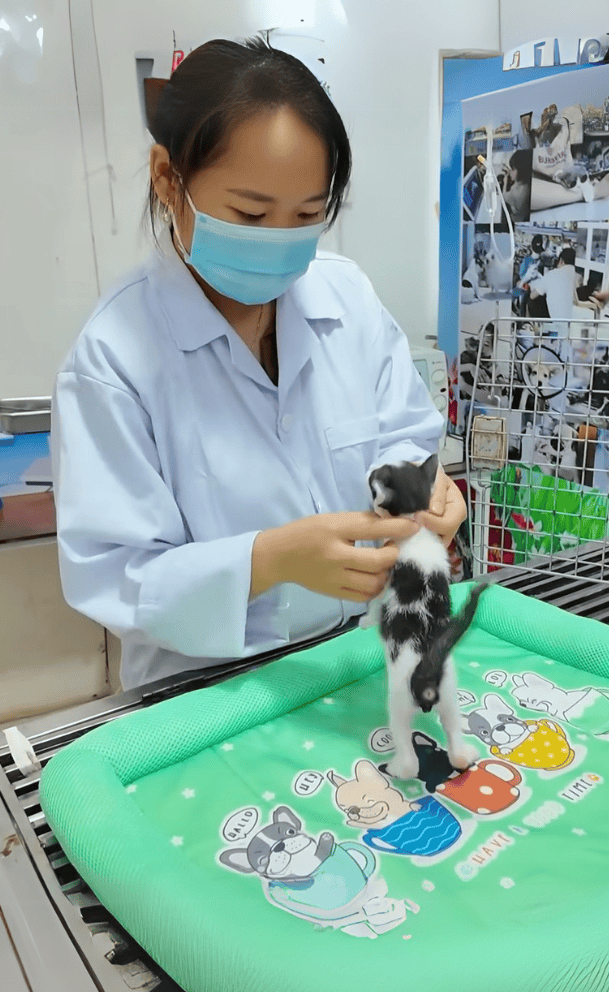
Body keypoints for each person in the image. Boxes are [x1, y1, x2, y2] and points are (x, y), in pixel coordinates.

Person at [51, 37, 466, 690]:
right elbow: (115, 575)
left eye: (305, 215)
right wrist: (266, 561)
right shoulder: (114, 360)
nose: (278, 240)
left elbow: (404, 435)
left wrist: (422, 491)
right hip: (204, 689)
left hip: (347, 664)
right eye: (249, 214)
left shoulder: (346, 297)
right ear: (169, 180)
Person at [529, 247, 580, 322]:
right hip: (573, 320)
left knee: (533, 298)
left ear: (561, 261)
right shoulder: (576, 275)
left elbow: (532, 295)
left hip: (556, 321)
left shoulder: (552, 274)